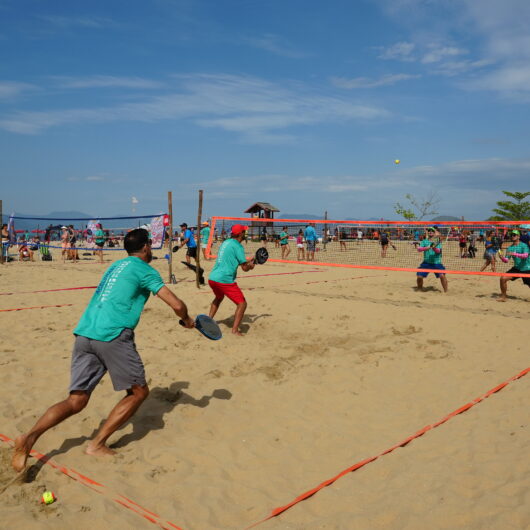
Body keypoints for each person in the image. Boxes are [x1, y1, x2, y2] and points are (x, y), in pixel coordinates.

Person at [11, 228, 195, 472]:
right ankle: (96, 444)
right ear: (146, 247)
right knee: (139, 392)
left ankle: (29, 437)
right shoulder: (145, 269)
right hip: (112, 335)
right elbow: (176, 304)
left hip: (85, 332)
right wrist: (187, 319)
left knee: (76, 400)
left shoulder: (115, 267)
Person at [208, 224, 255, 336]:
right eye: (244, 231)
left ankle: (208, 320)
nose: (245, 233)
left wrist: (248, 261)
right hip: (224, 279)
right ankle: (234, 330)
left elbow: (232, 259)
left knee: (219, 297)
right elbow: (244, 268)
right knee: (242, 304)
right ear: (240, 234)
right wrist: (251, 266)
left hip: (212, 277)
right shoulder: (238, 246)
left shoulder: (226, 242)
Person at [497, 230, 530, 302]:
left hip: (526, 268)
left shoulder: (524, 245)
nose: (512, 236)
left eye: (514, 235)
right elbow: (506, 260)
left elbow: (525, 256)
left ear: (518, 236)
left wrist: (514, 254)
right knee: (503, 278)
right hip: (517, 268)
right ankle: (503, 297)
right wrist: (502, 258)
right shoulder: (510, 248)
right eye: (512, 235)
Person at [415, 227, 448, 293]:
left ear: (434, 233)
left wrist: (433, 248)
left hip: (436, 263)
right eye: (429, 231)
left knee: (442, 276)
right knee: (419, 277)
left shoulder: (437, 241)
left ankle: (446, 291)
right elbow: (419, 249)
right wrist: (427, 248)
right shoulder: (425, 241)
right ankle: (419, 290)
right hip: (426, 263)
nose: (430, 232)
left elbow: (438, 251)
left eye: (432, 231)